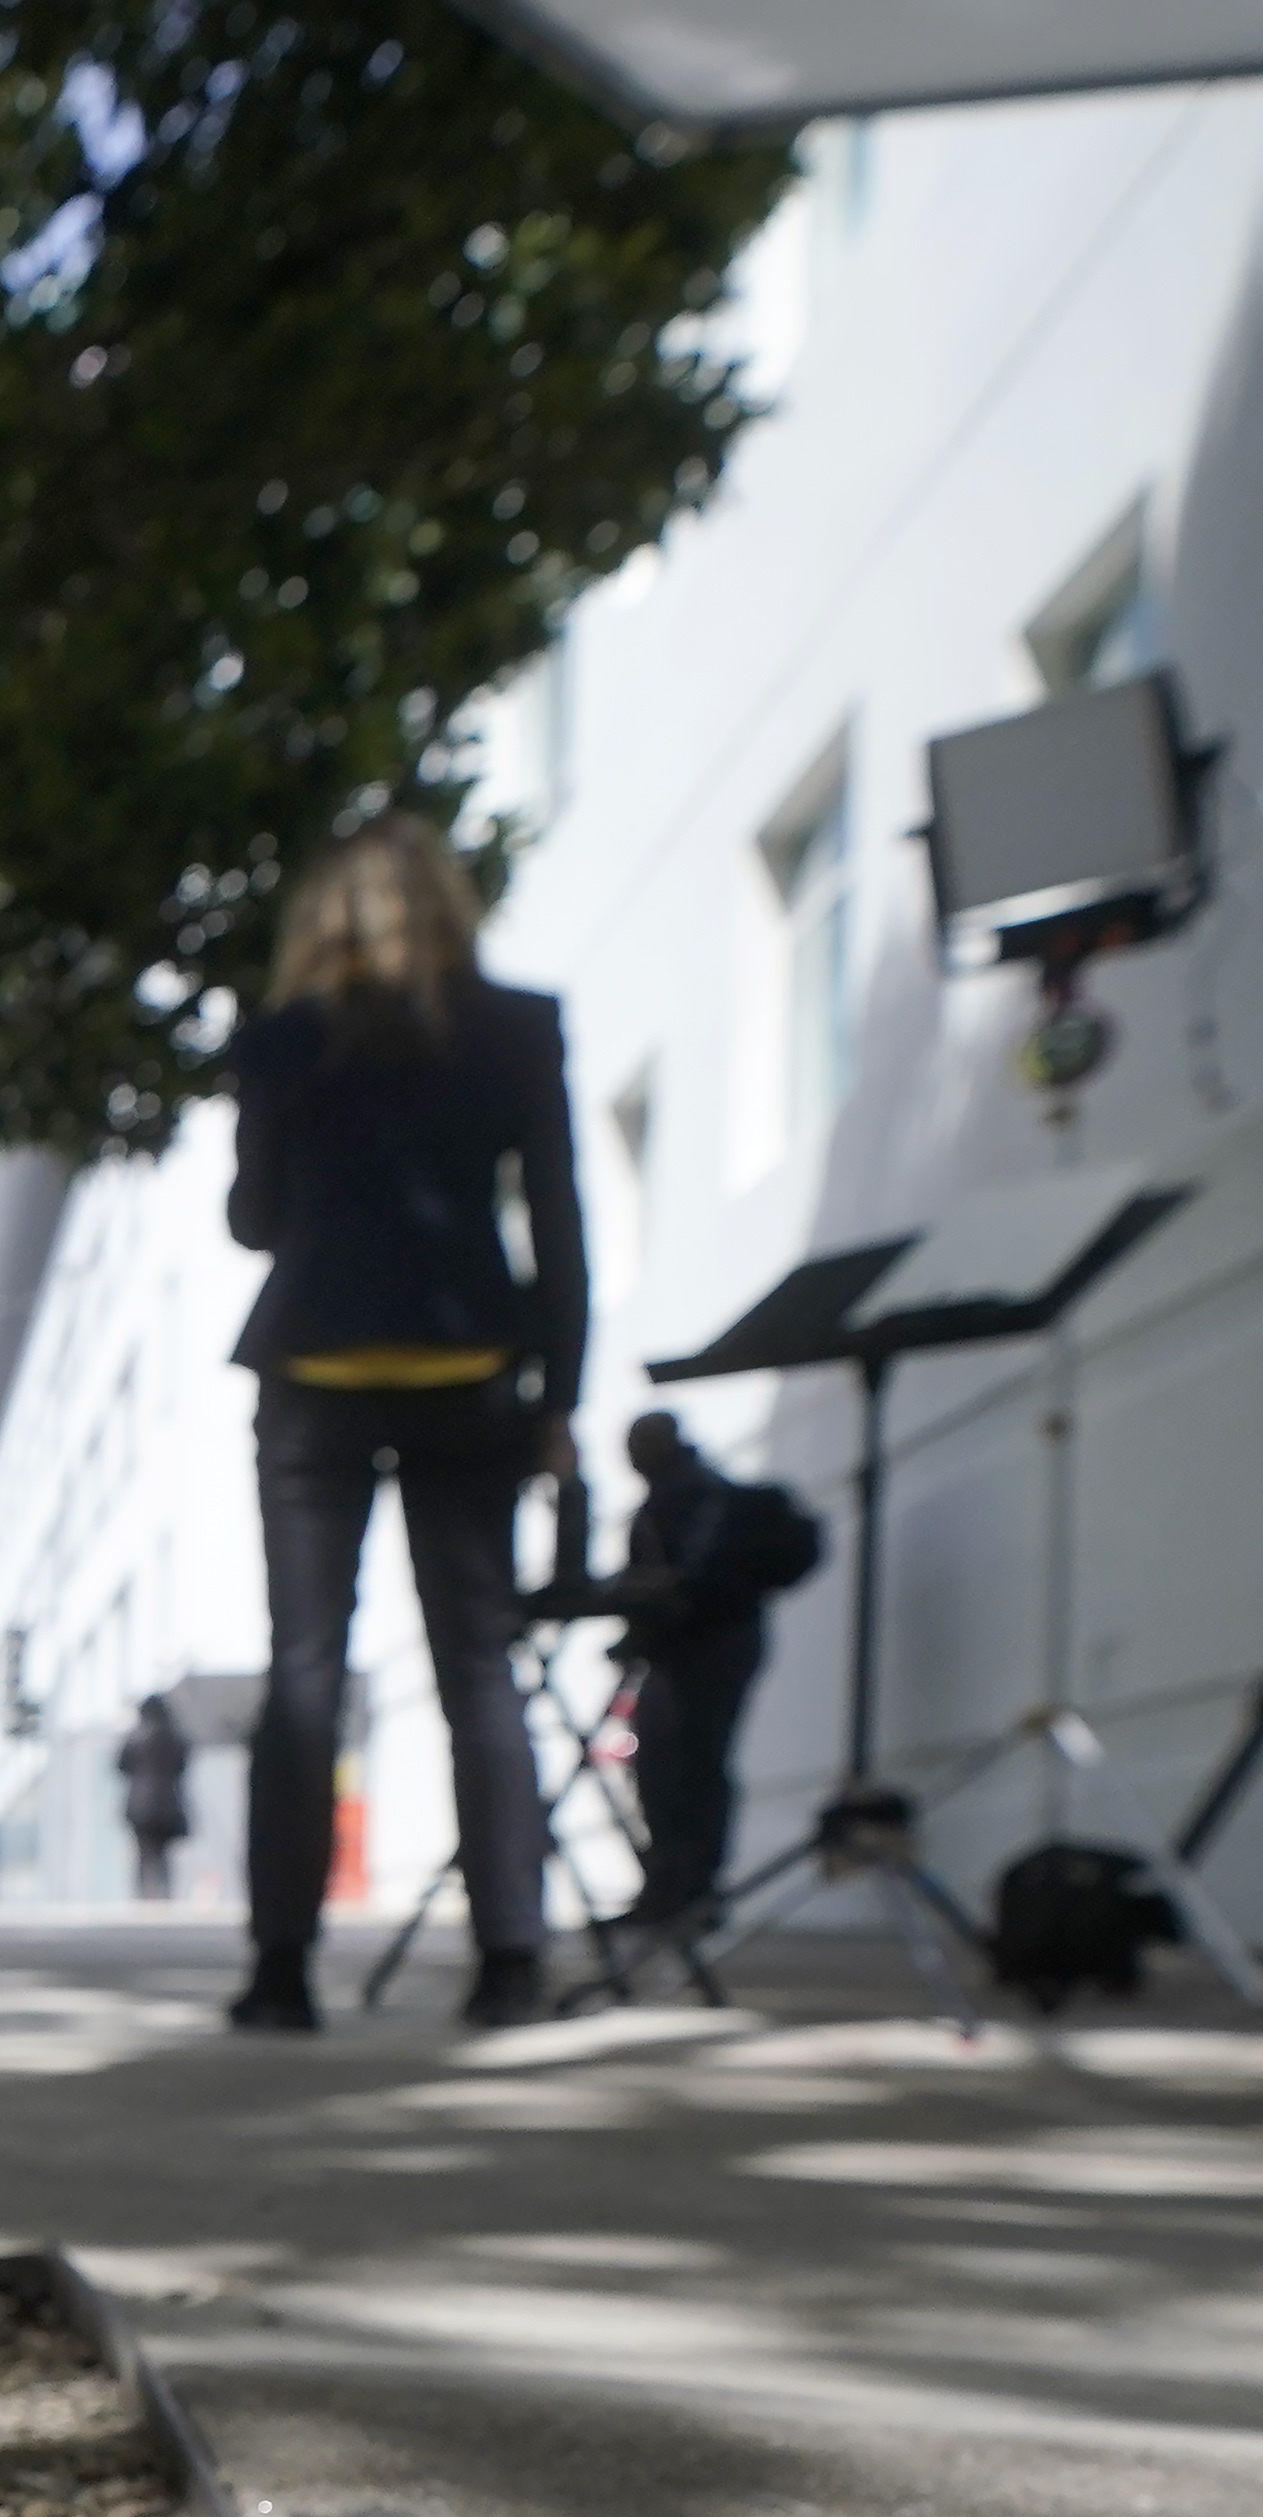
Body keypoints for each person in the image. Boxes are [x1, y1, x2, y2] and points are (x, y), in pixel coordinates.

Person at [218, 817, 584, 2033]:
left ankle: (280, 1974)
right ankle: (512, 1964)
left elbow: (256, 1221)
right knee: (479, 1665)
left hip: (314, 1369)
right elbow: (559, 1226)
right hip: (470, 1366)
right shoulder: (518, 1027)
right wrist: (561, 1395)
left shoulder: (281, 1042)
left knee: (306, 1671)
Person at [592, 1408, 822, 1929]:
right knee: (662, 1764)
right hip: (681, 1651)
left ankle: (691, 1889)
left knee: (695, 1763)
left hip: (715, 1646)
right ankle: (673, 1886)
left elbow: (685, 1583)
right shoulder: (665, 1508)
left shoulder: (704, 1504)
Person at [116, 1691, 195, 1903]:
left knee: (143, 1852)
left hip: (140, 1804)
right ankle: (164, 1893)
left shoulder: (135, 1737)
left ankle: (144, 1895)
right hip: (168, 1804)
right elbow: (183, 1765)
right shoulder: (174, 1737)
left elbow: (120, 1765)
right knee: (163, 1854)